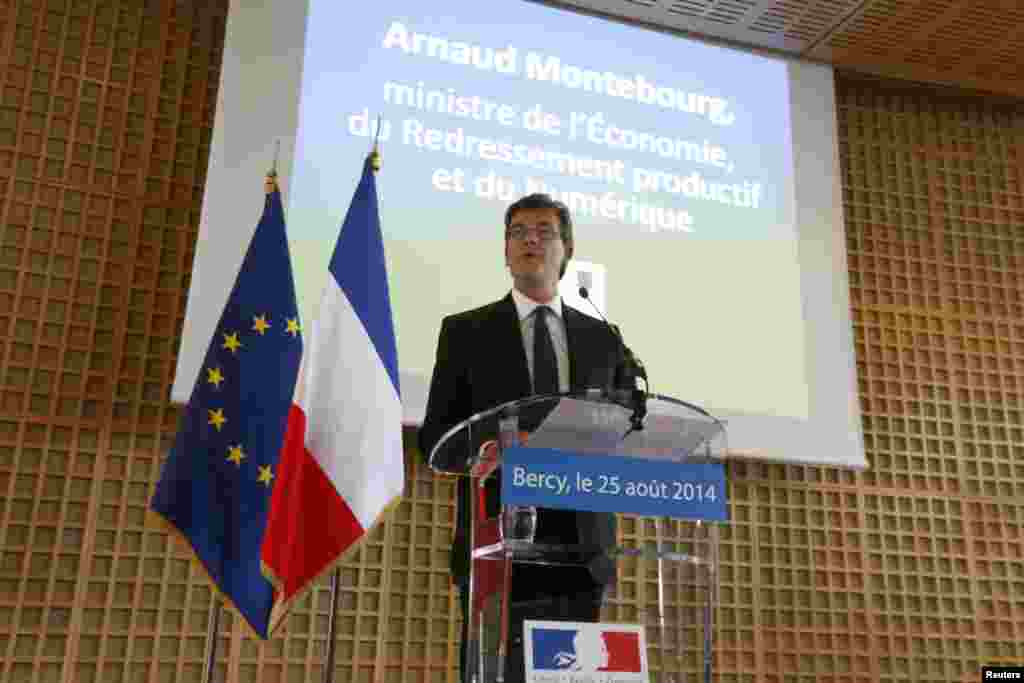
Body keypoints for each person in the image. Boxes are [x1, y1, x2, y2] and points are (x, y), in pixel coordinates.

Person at [418, 193, 622, 683]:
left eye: (545, 231)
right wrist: (489, 449)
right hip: (498, 543)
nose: (531, 240)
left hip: (582, 547)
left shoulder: (604, 337)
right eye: (518, 232)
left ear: (566, 250)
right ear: (505, 251)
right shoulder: (465, 332)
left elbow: (618, 434)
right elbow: (435, 437)